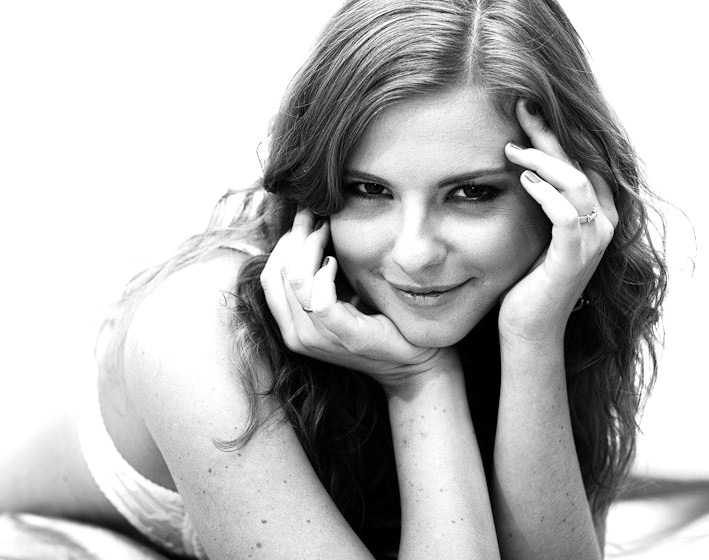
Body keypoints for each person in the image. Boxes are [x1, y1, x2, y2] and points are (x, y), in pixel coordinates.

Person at [0, 0, 667, 558]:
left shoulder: (553, 292)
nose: (413, 254)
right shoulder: (198, 329)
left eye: (470, 194)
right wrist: (420, 382)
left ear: (558, 191)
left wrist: (532, 337)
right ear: (315, 188)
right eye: (368, 189)